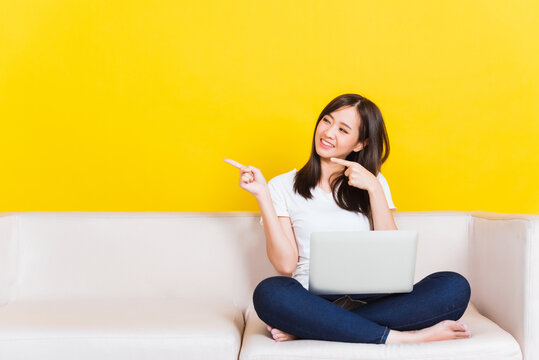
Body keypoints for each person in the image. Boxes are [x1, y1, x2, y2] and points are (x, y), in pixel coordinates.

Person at [223, 93, 472, 344]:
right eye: (326, 121)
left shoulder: (373, 182)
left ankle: (317, 326)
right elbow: (286, 266)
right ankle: (399, 338)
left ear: (360, 144)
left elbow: (391, 255)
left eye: (343, 129)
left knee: (453, 286)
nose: (328, 133)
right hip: (312, 299)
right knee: (270, 293)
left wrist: (374, 188)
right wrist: (262, 195)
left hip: (373, 296)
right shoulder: (283, 185)